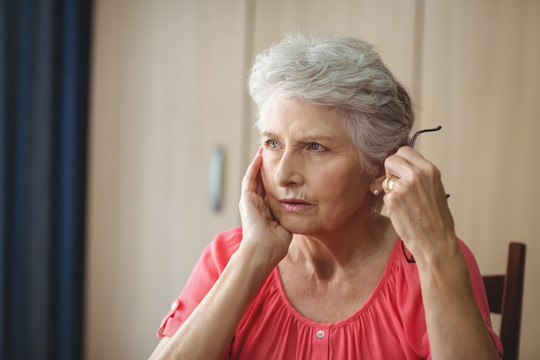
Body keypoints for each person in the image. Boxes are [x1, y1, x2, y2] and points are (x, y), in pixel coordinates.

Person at [150, 32, 503, 359]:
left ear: (380, 166)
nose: (283, 175)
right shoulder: (229, 256)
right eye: (272, 143)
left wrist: (437, 251)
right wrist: (255, 255)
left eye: (315, 147)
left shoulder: (431, 258)